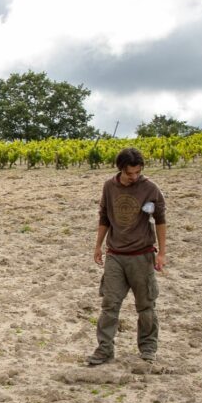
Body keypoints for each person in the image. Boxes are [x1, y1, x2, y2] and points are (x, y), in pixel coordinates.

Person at [87, 147, 167, 366]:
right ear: (120, 169)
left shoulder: (150, 188)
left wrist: (162, 253)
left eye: (137, 173)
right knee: (109, 304)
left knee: (146, 306)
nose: (134, 177)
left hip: (142, 256)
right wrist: (98, 246)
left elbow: (160, 220)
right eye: (129, 173)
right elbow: (104, 217)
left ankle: (148, 348)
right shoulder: (109, 187)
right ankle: (104, 350)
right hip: (115, 255)